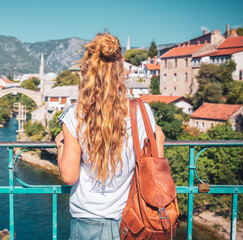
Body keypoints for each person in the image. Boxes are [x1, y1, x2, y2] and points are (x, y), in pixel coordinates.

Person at [55, 33, 165, 240]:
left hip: (87, 223)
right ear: (121, 69)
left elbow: (69, 176)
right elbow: (156, 162)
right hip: (134, 221)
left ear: (87, 70)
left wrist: (60, 145)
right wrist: (160, 137)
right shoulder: (143, 112)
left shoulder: (74, 115)